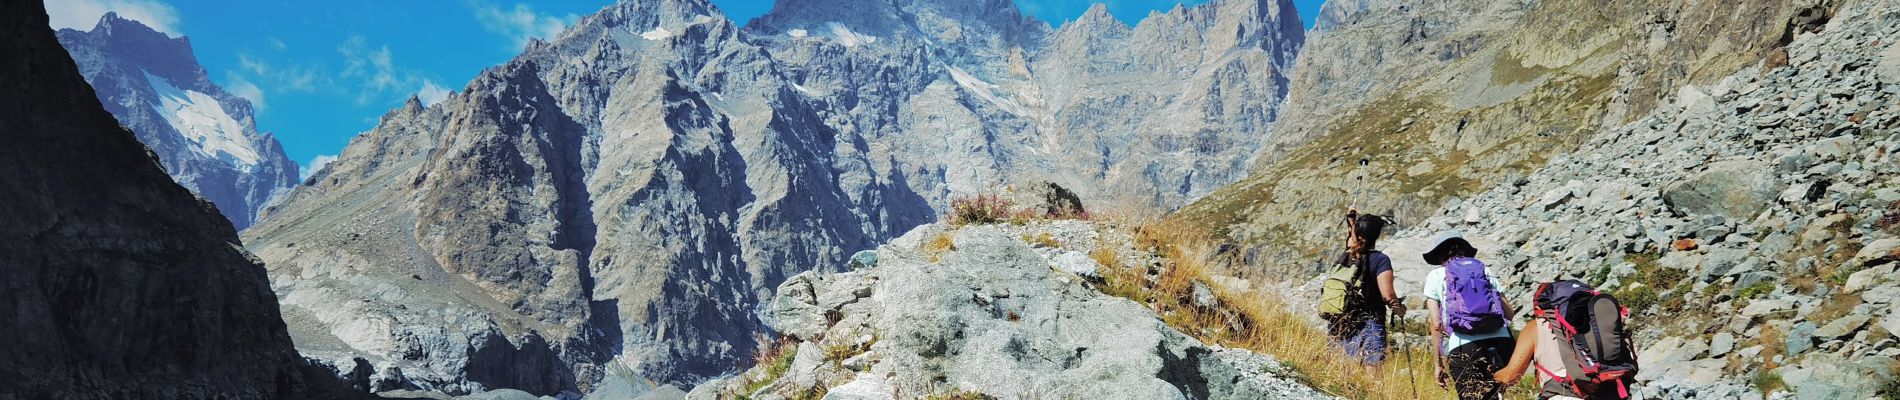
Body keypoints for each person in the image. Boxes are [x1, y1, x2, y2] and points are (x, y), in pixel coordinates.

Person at [1421, 231, 1516, 400]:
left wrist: (1439, 364)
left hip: (1464, 344)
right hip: (1502, 342)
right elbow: (1509, 313)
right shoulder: (1485, 270)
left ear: (1439, 254)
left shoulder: (1435, 276)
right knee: (1496, 396)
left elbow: (1436, 324)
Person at [1328, 209, 1404, 374]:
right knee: (1372, 370)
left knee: (1342, 371)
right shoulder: (1380, 260)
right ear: (1376, 236)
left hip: (1341, 321)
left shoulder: (1346, 256)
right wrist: (1399, 310)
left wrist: (1352, 223)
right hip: (1370, 322)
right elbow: (1387, 294)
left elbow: (1351, 242)